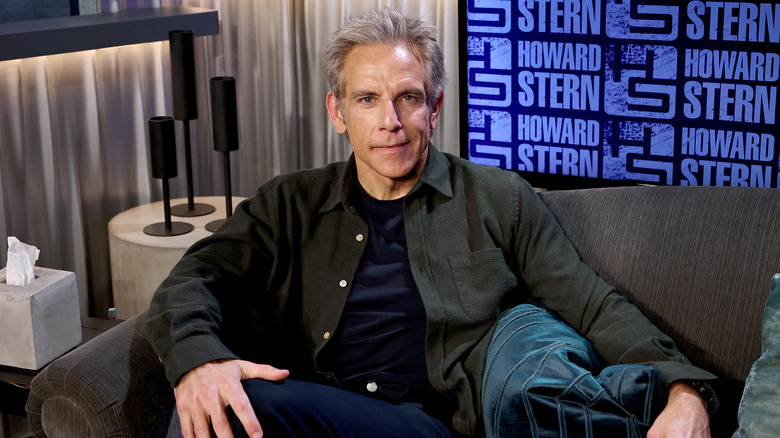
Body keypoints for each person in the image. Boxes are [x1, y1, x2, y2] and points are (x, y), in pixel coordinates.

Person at [147, 8, 716, 438]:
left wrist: (685, 390)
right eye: (367, 100)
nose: (390, 122)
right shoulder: (288, 203)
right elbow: (192, 280)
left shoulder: (497, 198)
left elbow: (592, 304)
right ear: (338, 113)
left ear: (435, 107)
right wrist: (200, 359)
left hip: (426, 422)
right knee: (209, 399)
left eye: (407, 98)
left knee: (238, 406)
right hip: (323, 401)